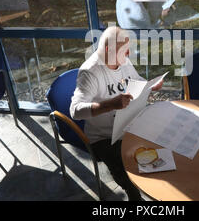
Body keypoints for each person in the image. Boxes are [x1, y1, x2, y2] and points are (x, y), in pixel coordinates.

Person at [69, 26, 163, 201]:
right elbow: (75, 111)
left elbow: (136, 81)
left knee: (159, 149)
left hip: (128, 123)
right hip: (104, 136)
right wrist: (109, 105)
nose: (128, 55)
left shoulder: (122, 59)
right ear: (107, 50)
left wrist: (150, 84)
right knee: (127, 175)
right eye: (124, 51)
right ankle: (134, 196)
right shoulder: (90, 71)